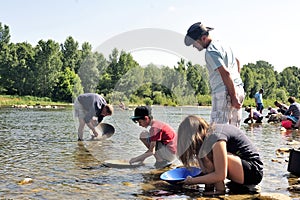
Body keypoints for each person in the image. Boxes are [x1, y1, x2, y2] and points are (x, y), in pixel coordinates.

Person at [177, 115, 263, 194]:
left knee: (209, 157)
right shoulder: (208, 135)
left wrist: (192, 181)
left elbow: (220, 175)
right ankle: (215, 190)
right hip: (241, 168)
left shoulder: (216, 138)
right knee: (205, 155)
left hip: (253, 171)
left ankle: (220, 191)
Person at [184, 22, 245, 127]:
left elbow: (225, 73)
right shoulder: (223, 45)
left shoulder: (210, 51)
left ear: (203, 38)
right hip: (238, 89)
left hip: (224, 92)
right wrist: (235, 86)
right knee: (234, 131)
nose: (193, 46)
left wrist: (232, 95)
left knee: (218, 130)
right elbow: (237, 61)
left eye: (194, 43)